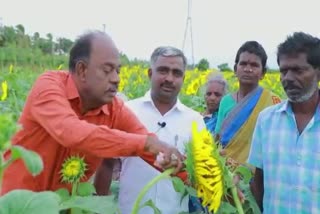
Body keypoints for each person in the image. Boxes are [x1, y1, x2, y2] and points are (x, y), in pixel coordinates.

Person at [1, 31, 184, 195]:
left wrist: (192, 174)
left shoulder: (114, 109)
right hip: (16, 203)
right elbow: (70, 132)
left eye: (118, 71)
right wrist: (147, 143)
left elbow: (151, 148)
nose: (116, 79)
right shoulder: (49, 86)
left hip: (64, 206)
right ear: (82, 70)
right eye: (107, 70)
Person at [118, 46, 205, 214]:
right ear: (150, 73)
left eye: (176, 73)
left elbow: (198, 173)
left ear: (183, 78)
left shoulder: (195, 120)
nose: (170, 78)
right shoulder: (127, 111)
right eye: (163, 71)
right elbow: (108, 164)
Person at [248, 32, 320, 213]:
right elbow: (258, 182)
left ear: (318, 73)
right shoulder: (266, 120)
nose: (287, 78)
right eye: (283, 70)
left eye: (298, 70)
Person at [214, 41, 281, 164]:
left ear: (263, 73)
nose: (248, 69)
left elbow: (276, 143)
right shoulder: (225, 101)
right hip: (226, 168)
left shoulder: (273, 102)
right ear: (235, 69)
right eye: (243, 64)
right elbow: (218, 138)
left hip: (259, 171)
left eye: (254, 65)